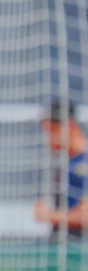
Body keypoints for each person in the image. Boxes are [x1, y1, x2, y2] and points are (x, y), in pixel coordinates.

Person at [35, 100, 87, 239]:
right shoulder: (69, 163)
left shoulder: (83, 164)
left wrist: (50, 215)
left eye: (51, 131)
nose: (48, 140)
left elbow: (85, 216)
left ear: (69, 126)